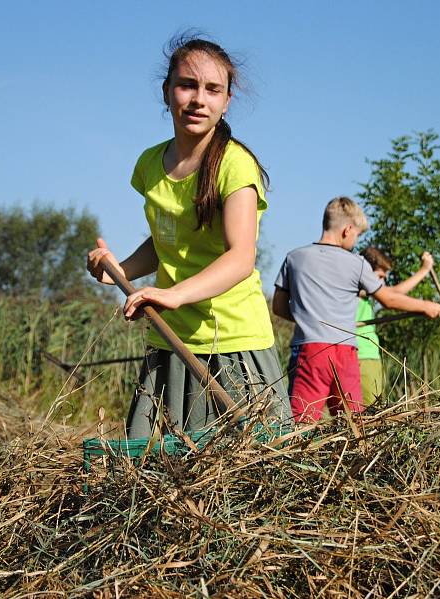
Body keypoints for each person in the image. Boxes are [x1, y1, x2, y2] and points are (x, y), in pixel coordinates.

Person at [86, 34, 290, 437]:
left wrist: (174, 295)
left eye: (213, 89)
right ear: (167, 92)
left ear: (227, 100)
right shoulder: (148, 164)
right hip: (169, 338)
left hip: (231, 341)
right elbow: (167, 244)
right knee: (158, 471)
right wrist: (119, 268)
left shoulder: (236, 166)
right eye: (187, 85)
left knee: (245, 473)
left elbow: (240, 257)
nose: (199, 99)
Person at [272, 197, 440, 423]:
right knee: (352, 424)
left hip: (310, 349)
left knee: (302, 423)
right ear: (347, 230)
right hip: (345, 352)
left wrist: (308, 318)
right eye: (357, 235)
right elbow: (389, 299)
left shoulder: (294, 258)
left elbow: (278, 307)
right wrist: (426, 306)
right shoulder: (357, 263)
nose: (356, 241)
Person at [356, 247, 434, 407]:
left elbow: (393, 293)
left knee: (373, 408)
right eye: (379, 277)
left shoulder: (365, 292)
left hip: (370, 354)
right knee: (367, 412)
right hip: (361, 356)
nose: (382, 283)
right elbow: (394, 293)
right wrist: (424, 270)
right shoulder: (357, 288)